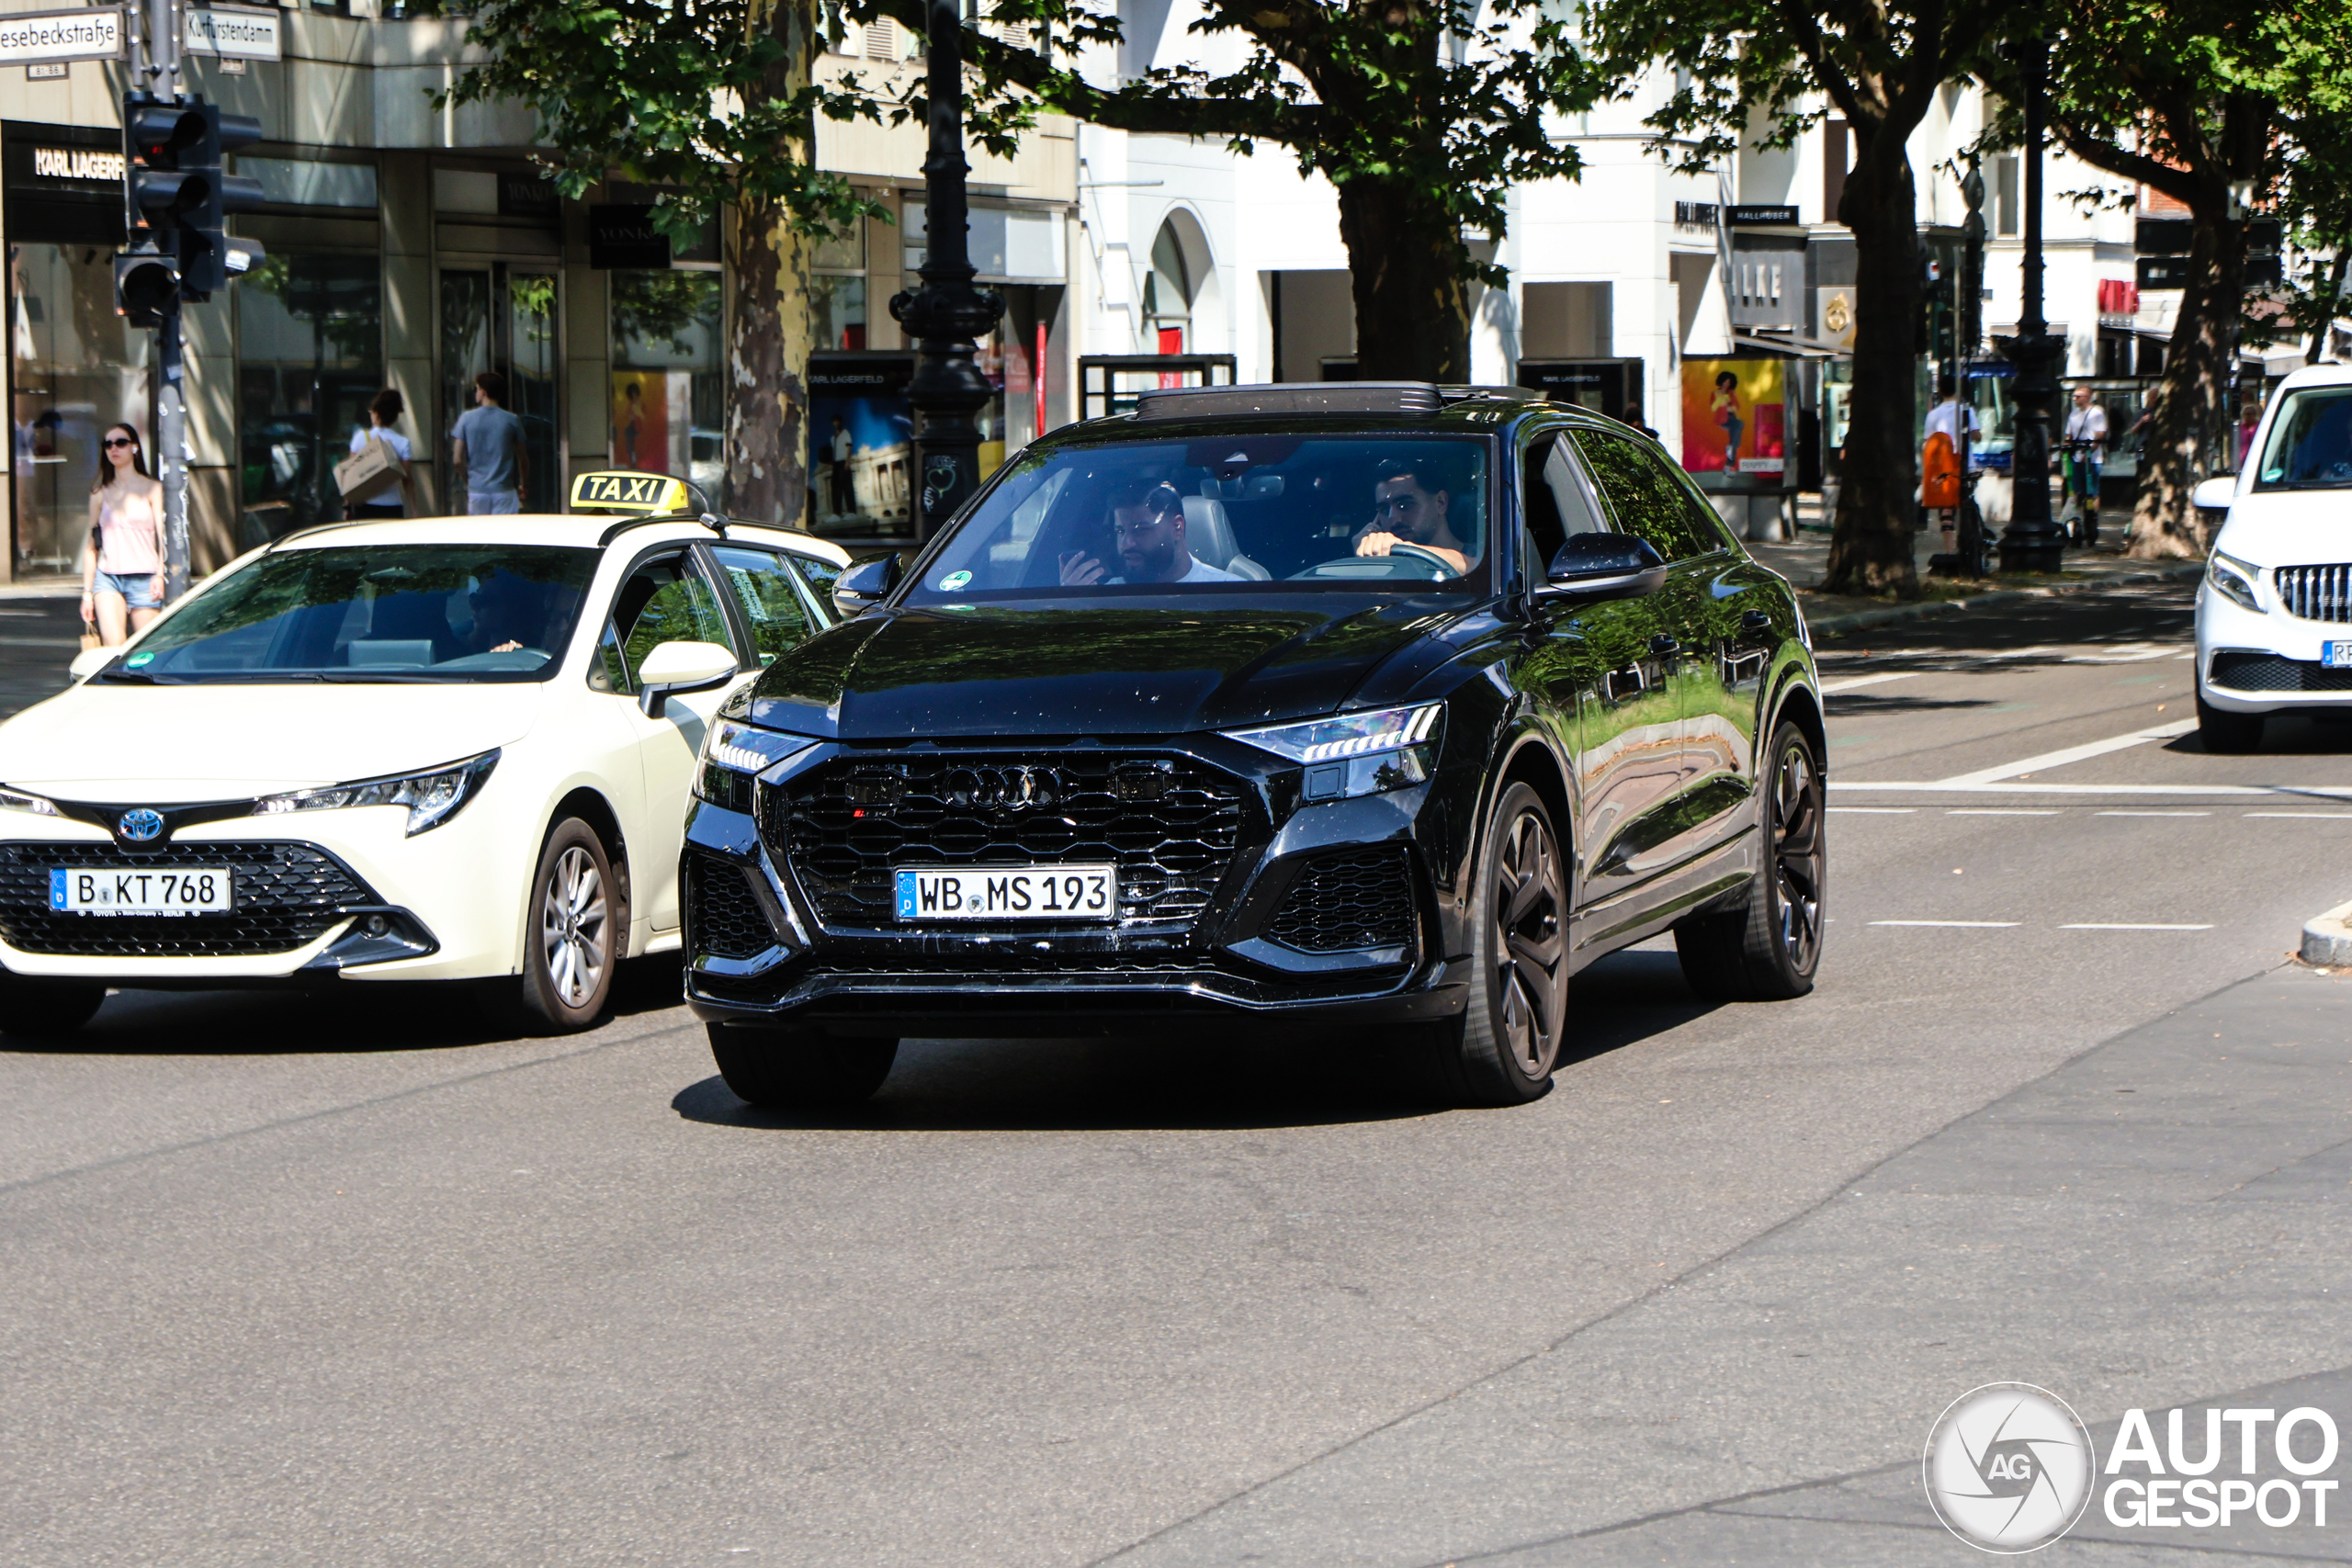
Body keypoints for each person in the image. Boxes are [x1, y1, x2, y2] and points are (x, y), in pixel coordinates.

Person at [80, 423, 165, 647]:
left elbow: (162, 537)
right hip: (108, 578)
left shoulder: (152, 488)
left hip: (145, 577)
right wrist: (87, 593)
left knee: (149, 650)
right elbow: (91, 546)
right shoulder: (100, 492)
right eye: (108, 444)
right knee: (114, 649)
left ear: (134, 447)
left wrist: (160, 573)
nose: (113, 449)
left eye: (120, 443)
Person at [1058, 481, 1238, 586]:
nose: (1126, 543)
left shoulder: (1229, 592)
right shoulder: (1109, 595)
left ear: (1177, 528)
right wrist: (1070, 607)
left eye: (1141, 530)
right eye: (1120, 531)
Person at [1354, 455, 1474, 576]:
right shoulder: (1385, 567)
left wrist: (1402, 549)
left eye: (1405, 505)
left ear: (1440, 503)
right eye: (1385, 510)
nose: (1394, 520)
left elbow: (1472, 568)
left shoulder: (1483, 555)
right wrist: (1365, 560)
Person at [452, 370, 527, 514]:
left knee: (478, 535)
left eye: (477, 388)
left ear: (483, 391)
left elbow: (457, 460)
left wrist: (469, 481)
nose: (476, 392)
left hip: (477, 492)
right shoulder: (511, 420)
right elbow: (522, 457)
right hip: (504, 491)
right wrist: (524, 484)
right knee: (503, 535)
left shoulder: (466, 419)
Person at [1924, 374, 1981, 553]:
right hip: (1965, 464)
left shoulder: (1933, 415)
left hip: (1944, 467)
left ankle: (1950, 549)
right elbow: (1976, 436)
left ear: (1940, 391)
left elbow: (1928, 443)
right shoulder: (1966, 411)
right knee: (1967, 501)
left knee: (1947, 508)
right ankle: (1971, 542)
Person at [347, 388, 418, 520]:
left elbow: (351, 477)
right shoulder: (402, 442)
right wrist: (414, 510)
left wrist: (346, 507)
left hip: (365, 505)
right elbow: (407, 480)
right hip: (393, 506)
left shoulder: (360, 437)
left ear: (376, 413)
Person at [2063, 385, 2109, 537]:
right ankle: (2076, 519)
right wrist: (2067, 447)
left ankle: (2092, 517)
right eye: (2074, 396)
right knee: (2076, 490)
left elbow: (2100, 435)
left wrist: (2089, 452)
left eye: (2078, 396)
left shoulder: (2097, 413)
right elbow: (2069, 435)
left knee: (2092, 491)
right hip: (2076, 457)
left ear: (2088, 397)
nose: (2075, 399)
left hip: (2093, 459)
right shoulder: (2073, 414)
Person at [1712, 370, 1744, 470]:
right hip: (1723, 419)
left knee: (1734, 433)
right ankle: (1733, 446)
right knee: (1739, 424)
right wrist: (1720, 399)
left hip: (1732, 418)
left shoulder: (1731, 393)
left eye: (1729, 382)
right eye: (1725, 382)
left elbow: (1736, 407)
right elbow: (1713, 408)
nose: (1726, 384)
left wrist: (1732, 398)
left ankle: (1728, 465)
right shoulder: (1716, 393)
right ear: (1721, 382)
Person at [829, 415, 855, 516]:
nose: (836, 423)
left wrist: (848, 461)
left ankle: (851, 511)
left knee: (847, 486)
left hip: (844, 461)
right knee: (836, 487)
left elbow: (849, 447)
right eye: (835, 421)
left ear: (841, 422)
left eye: (838, 421)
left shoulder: (845, 433)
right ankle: (836, 512)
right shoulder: (832, 438)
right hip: (836, 463)